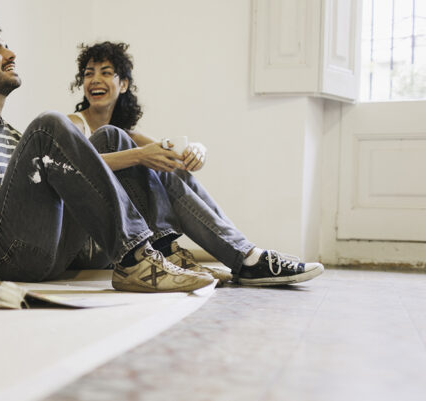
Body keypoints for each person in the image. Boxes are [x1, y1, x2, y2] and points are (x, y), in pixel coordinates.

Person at [66, 41, 324, 285]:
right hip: (87, 243)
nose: (95, 79)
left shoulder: (128, 136)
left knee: (164, 165)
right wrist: (139, 156)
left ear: (123, 85)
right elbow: (73, 169)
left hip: (119, 239)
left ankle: (245, 254)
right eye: (89, 74)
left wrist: (198, 150)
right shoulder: (75, 124)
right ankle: (242, 257)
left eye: (105, 72)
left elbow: (171, 158)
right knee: (118, 142)